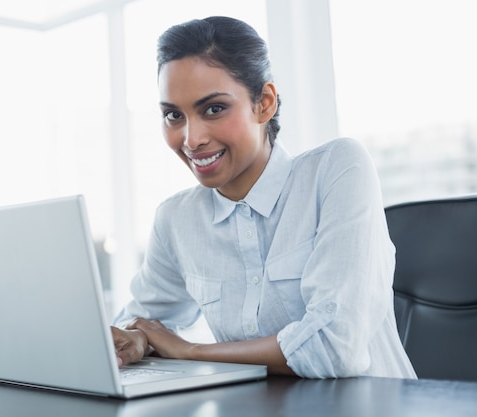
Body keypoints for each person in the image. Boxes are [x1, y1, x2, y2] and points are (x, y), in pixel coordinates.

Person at [111, 16, 416, 379]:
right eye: (174, 115)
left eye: (214, 109)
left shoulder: (338, 169)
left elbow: (335, 349)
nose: (191, 140)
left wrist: (190, 351)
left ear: (265, 103)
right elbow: (136, 324)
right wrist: (138, 340)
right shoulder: (177, 219)